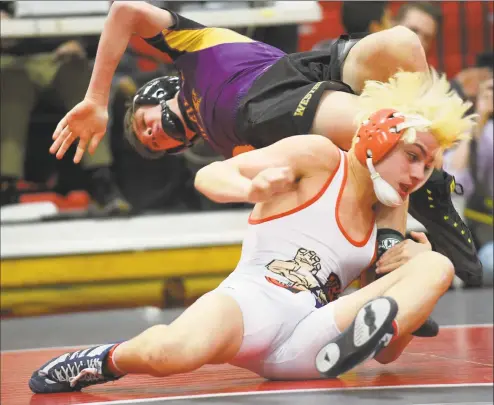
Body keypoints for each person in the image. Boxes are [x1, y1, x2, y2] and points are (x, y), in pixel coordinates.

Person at [29, 69, 473, 393]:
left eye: (428, 166)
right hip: (252, 303)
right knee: (169, 354)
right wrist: (250, 186)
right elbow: (207, 177)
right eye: (413, 156)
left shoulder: (388, 218)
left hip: (313, 339)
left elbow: (386, 354)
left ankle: (373, 321)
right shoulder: (319, 156)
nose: (418, 174)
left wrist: (413, 279)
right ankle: (99, 360)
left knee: (434, 263)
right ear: (379, 137)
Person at [48, 2, 482, 285]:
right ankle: (396, 245)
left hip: (307, 68)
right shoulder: (224, 146)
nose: (154, 135)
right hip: (268, 110)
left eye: (146, 126)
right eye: (156, 145)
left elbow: (124, 9)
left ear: (155, 92)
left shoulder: (190, 49)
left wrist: (96, 97)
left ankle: (425, 195)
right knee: (394, 134)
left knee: (405, 43)